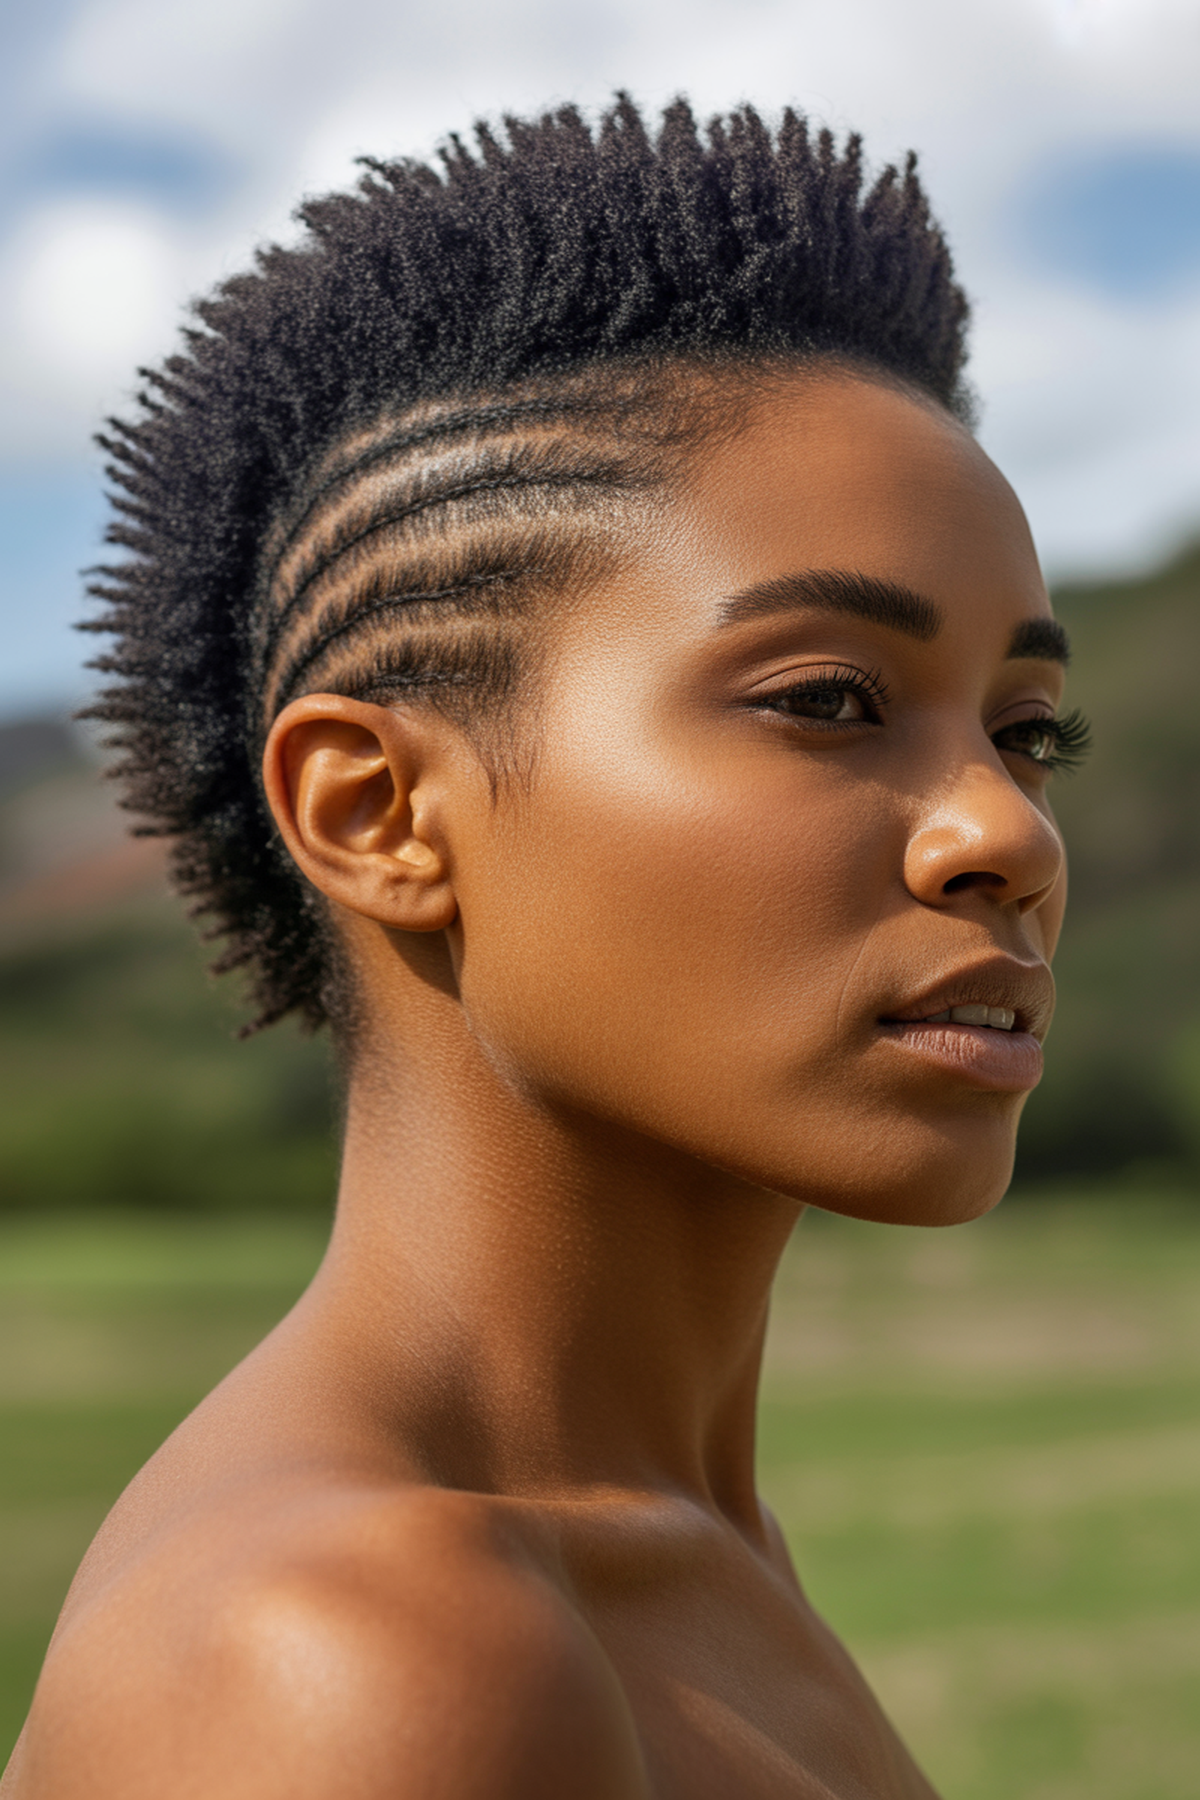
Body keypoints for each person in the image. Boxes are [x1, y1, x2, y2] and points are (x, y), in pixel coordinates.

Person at [1, 96, 1088, 1799]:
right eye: (828, 701)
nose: (1007, 834)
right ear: (379, 813)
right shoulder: (359, 1663)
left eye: (1029, 733)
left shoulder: (681, 1554)